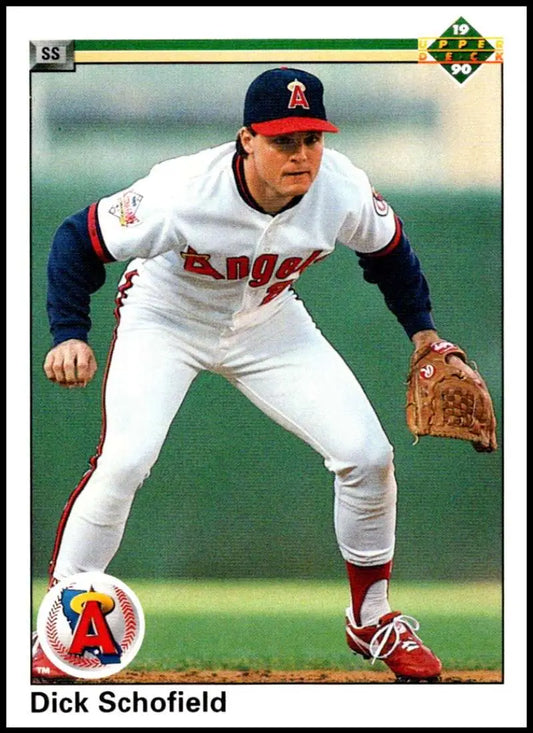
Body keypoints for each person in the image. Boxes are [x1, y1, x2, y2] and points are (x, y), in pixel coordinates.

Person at [33, 66, 478, 683]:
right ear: (247, 140)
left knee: (367, 455)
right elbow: (75, 240)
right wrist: (69, 333)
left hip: (271, 322)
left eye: (312, 139)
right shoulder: (183, 189)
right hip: (165, 318)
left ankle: (371, 619)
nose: (301, 154)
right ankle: (60, 629)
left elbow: (390, 255)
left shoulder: (342, 189)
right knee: (126, 460)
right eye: (282, 140)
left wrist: (425, 335)